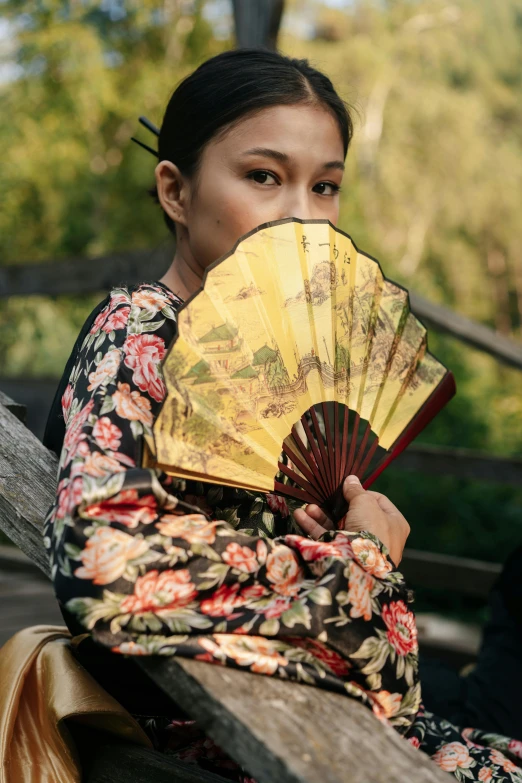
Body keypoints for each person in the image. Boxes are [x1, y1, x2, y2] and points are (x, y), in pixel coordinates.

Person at [43, 49, 522, 782]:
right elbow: (106, 561)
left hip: (313, 713)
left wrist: (313, 532)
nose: (304, 216)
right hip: (237, 735)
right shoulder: (146, 331)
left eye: (325, 186)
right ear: (175, 190)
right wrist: (357, 558)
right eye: (264, 176)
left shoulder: (271, 363)